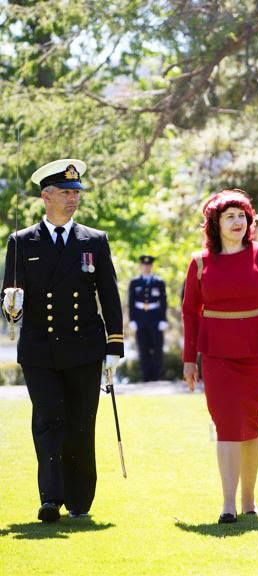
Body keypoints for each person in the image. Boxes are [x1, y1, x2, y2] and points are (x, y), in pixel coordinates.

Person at [2, 159, 124, 522]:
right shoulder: (22, 242)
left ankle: (80, 500)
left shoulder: (94, 240)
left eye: (76, 194)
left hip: (85, 347)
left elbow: (110, 295)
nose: (73, 200)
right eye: (66, 193)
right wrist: (10, 307)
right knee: (48, 422)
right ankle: (51, 499)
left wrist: (114, 345)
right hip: (40, 349)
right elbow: (12, 302)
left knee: (81, 424)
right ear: (46, 196)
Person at [181, 189, 258, 523]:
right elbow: (189, 313)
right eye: (229, 217)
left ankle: (248, 499)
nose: (237, 222)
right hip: (216, 356)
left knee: (251, 426)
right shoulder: (199, 263)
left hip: (256, 352)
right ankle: (228, 503)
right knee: (226, 424)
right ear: (215, 223)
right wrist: (189, 359)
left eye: (242, 216)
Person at [128, 255, 168, 382]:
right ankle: (146, 377)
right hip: (140, 319)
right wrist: (132, 319)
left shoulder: (159, 282)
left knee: (157, 348)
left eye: (148, 265)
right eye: (144, 265)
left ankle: (157, 377)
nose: (146, 267)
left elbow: (163, 302)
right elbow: (131, 302)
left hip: (155, 318)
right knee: (143, 348)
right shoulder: (134, 283)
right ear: (141, 266)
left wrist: (163, 319)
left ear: (151, 266)